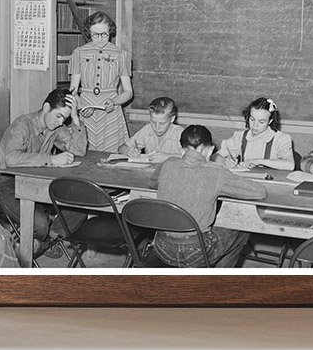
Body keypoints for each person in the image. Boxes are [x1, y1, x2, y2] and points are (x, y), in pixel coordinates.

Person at [153, 124, 266, 268]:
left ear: (181, 149)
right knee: (241, 229)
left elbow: (153, 183)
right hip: (195, 251)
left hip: (162, 246)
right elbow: (259, 192)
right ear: (211, 149)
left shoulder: (167, 164)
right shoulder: (216, 172)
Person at [0, 88, 87, 240]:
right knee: (40, 224)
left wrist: (75, 118)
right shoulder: (22, 125)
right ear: (46, 108)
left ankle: (48, 237)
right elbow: (11, 159)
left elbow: (78, 150)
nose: (61, 122)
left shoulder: (55, 126)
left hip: (35, 180)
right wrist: (52, 159)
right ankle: (41, 237)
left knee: (81, 205)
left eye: (65, 118)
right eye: (59, 116)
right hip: (6, 183)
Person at [68, 10, 133, 151]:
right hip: (86, 111)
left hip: (110, 112)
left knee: (111, 156)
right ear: (89, 32)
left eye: (104, 34)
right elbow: (72, 90)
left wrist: (114, 102)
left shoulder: (121, 55)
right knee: (83, 153)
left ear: (110, 31)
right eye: (95, 34)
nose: (100, 38)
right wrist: (81, 107)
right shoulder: (79, 53)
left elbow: (128, 92)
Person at [217, 97, 295, 172]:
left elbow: (290, 165)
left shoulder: (281, 139)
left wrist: (258, 161)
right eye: (252, 119)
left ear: (270, 121)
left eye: (261, 122)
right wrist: (225, 162)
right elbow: (214, 156)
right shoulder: (240, 137)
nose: (255, 125)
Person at [121, 96, 183, 160]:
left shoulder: (180, 134)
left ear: (172, 119)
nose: (157, 127)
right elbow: (122, 147)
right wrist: (128, 151)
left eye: (162, 123)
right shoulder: (147, 130)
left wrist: (168, 157)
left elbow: (192, 157)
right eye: (153, 122)